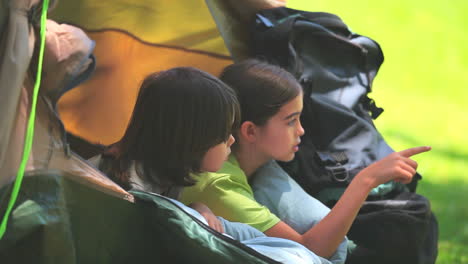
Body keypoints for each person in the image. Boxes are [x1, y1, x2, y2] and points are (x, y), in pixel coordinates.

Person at [180, 59, 431, 260]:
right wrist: (365, 180)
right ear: (250, 131)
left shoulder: (250, 166)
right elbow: (310, 250)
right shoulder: (222, 186)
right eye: (291, 121)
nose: (301, 131)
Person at [94, 67, 337, 263]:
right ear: (192, 140)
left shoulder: (159, 168)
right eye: (223, 134)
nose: (231, 140)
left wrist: (198, 206)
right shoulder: (133, 197)